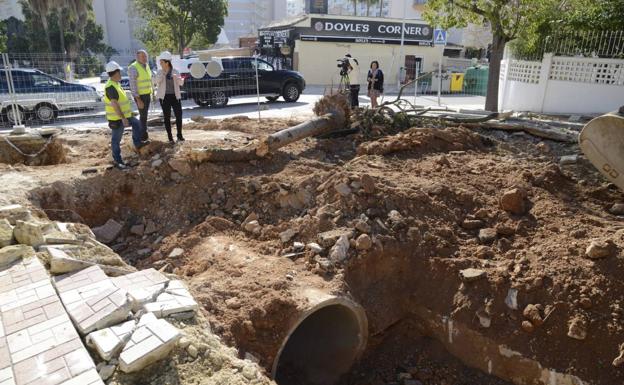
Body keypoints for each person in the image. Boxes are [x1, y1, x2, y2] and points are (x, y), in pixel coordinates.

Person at [103, 61, 143, 169]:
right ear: (115, 73)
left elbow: (122, 101)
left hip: (124, 116)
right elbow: (115, 104)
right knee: (116, 140)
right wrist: (123, 118)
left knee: (137, 123)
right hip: (117, 119)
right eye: (119, 72)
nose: (121, 74)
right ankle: (118, 161)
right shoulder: (110, 87)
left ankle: (137, 143)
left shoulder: (116, 84)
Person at [155, 51, 185, 143]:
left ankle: (179, 135)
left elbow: (181, 83)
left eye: (162, 62)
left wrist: (177, 78)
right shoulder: (160, 72)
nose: (160, 63)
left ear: (167, 62)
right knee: (166, 117)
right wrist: (162, 76)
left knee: (179, 116)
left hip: (175, 97)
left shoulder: (175, 71)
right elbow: (155, 81)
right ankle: (170, 137)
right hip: (164, 98)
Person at [128, 49, 153, 141]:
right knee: (143, 116)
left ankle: (143, 135)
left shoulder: (146, 66)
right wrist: (138, 99)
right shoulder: (133, 67)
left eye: (145, 56)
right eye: (142, 56)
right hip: (140, 96)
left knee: (144, 115)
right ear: (137, 57)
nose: (145, 58)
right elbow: (133, 85)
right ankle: (142, 136)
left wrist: (152, 93)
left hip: (147, 94)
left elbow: (149, 81)